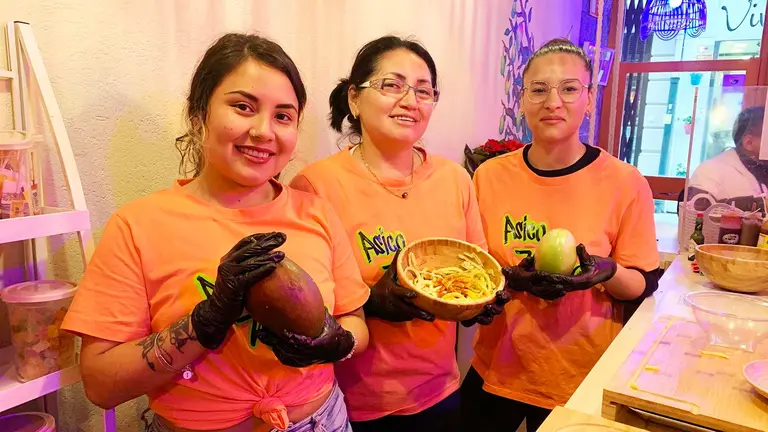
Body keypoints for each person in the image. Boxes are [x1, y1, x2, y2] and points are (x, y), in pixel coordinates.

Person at [61, 33, 370, 432]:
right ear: (198, 115)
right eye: (243, 107)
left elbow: (355, 322)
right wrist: (203, 322)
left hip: (322, 421)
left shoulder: (317, 213)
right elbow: (101, 384)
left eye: (283, 115)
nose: (263, 131)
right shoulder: (138, 226)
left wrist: (336, 341)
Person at [289, 35, 509, 432]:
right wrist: (371, 303)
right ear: (355, 99)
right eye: (393, 85)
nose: (411, 100)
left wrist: (487, 298)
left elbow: (478, 267)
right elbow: (304, 307)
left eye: (424, 91)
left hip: (440, 392)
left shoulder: (455, 180)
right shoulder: (315, 186)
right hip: (353, 401)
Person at [460, 38, 661, 432]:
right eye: (539, 89)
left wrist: (605, 271)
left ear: (589, 99)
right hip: (495, 368)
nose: (553, 102)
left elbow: (642, 282)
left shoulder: (625, 183)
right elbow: (474, 271)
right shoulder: (488, 177)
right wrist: (509, 278)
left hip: (579, 377)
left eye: (569, 89)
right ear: (521, 100)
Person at [687, 106, 768, 212]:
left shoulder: (762, 167)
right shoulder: (709, 172)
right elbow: (697, 219)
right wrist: (759, 204)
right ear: (749, 143)